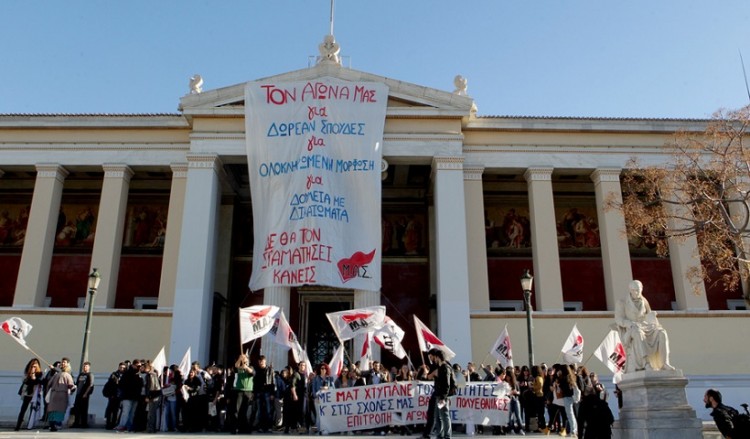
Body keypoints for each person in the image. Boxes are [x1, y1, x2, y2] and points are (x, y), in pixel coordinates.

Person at [614, 280, 674, 372]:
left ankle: (664, 363)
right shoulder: (622, 302)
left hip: (645, 326)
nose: (637, 292)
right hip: (631, 328)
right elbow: (618, 319)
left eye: (639, 290)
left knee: (662, 333)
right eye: (635, 290)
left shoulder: (644, 300)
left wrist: (652, 315)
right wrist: (629, 323)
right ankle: (646, 363)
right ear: (630, 290)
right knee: (638, 333)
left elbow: (648, 314)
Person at [46, 361, 75, 431]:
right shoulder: (68, 375)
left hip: (53, 394)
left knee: (52, 409)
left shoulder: (56, 375)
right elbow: (71, 385)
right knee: (60, 410)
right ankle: (57, 424)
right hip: (62, 394)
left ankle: (51, 423)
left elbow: (49, 384)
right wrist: (74, 388)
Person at [16, 358, 43, 431]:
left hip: (34, 393)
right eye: (32, 366)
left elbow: (39, 382)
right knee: (23, 409)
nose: (34, 367)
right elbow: (25, 381)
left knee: (33, 409)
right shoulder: (27, 373)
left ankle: (30, 424)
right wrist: (31, 376)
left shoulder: (40, 373)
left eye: (36, 365)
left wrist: (34, 378)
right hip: (27, 393)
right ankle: (18, 425)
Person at [431, 349, 453, 439]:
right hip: (438, 395)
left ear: (438, 357)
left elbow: (447, 384)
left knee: (444, 415)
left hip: (442, 396)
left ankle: (447, 435)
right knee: (437, 416)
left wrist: (443, 397)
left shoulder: (445, 367)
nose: (434, 359)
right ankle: (440, 434)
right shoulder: (440, 367)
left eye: (435, 357)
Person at [231, 354, 254, 434]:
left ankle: (243, 428)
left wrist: (246, 367)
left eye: (246, 359)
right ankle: (234, 428)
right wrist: (239, 358)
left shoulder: (250, 367)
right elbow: (235, 366)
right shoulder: (239, 368)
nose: (244, 360)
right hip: (239, 390)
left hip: (248, 391)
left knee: (244, 411)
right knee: (236, 410)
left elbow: (252, 372)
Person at [253, 355, 276, 433]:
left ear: (265, 361)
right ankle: (261, 427)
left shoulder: (270, 370)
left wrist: (272, 393)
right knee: (260, 411)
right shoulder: (256, 369)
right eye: (259, 362)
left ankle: (268, 427)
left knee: (268, 410)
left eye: (262, 362)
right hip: (258, 392)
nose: (261, 363)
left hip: (267, 392)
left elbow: (273, 382)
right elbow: (254, 382)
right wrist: (254, 392)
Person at [103, 362, 125, 430]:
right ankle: (108, 424)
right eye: (121, 367)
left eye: (123, 368)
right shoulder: (114, 374)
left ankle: (114, 424)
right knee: (110, 410)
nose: (122, 369)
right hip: (113, 395)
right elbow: (110, 384)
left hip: (120, 396)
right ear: (118, 367)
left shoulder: (125, 375)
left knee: (116, 411)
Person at [71, 361, 94, 428]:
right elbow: (77, 384)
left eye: (86, 366)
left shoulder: (90, 375)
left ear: (89, 367)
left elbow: (90, 385)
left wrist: (86, 393)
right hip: (78, 394)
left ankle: (84, 424)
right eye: (84, 366)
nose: (84, 367)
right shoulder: (81, 375)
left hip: (84, 395)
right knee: (76, 409)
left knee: (84, 409)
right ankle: (76, 423)